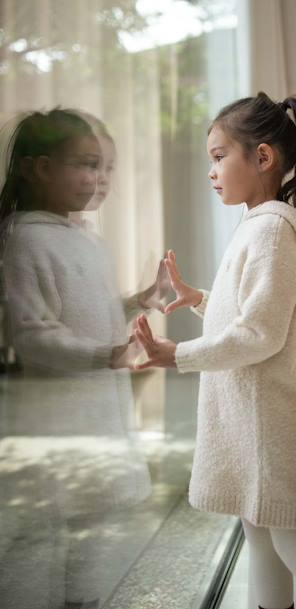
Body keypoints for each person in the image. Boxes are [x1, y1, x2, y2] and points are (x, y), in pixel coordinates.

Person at [134, 91, 296, 609]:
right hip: (253, 415)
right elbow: (255, 313)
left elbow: (261, 334)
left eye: (219, 157)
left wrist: (179, 355)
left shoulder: (272, 233)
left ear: (263, 157)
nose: (211, 172)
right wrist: (200, 300)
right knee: (261, 536)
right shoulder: (262, 226)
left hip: (266, 421)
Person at [0, 108, 166, 609]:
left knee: (94, 545)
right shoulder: (22, 239)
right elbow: (32, 335)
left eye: (106, 168)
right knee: (41, 545)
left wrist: (138, 301)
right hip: (56, 426)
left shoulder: (85, 238)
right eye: (87, 165)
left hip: (99, 416)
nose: (99, 179)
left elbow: (87, 318)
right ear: (41, 168)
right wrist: (104, 354)